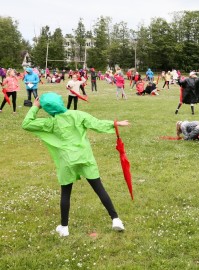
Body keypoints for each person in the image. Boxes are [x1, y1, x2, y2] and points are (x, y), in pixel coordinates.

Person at [22, 92, 128, 237]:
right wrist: (115, 123)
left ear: (46, 108)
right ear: (61, 102)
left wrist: (35, 107)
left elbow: (26, 124)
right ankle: (116, 219)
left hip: (67, 161)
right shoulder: (78, 114)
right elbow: (96, 124)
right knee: (99, 189)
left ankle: (64, 228)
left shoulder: (50, 122)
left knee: (66, 193)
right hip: (85, 158)